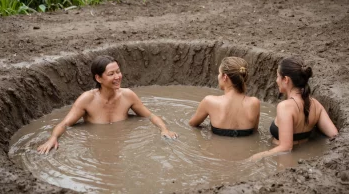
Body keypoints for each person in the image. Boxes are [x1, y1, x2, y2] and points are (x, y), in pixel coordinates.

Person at [37, 55, 178, 154]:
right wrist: (52, 138)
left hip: (122, 144)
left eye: (118, 72)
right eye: (111, 74)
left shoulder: (127, 95)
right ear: (98, 78)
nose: (117, 77)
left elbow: (151, 116)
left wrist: (164, 129)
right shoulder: (87, 99)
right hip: (96, 146)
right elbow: (65, 124)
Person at [251, 57, 338, 160]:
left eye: (278, 76)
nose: (276, 80)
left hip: (281, 161)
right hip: (303, 158)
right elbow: (334, 135)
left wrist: (257, 156)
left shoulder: (285, 107)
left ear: (286, 79)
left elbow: (286, 147)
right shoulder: (316, 104)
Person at [189, 57, 260, 137]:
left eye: (219, 73)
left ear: (225, 77)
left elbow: (192, 124)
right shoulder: (254, 103)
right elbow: (255, 132)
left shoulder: (209, 101)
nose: (218, 76)